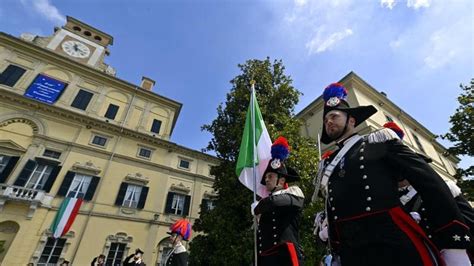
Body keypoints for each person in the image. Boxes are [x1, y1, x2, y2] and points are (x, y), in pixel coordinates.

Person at [313, 83, 472, 265]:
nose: (329, 122)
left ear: (351, 121)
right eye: (325, 121)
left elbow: (430, 183)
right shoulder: (328, 164)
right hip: (353, 252)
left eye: (334, 116)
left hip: (391, 244)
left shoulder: (377, 142)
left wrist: (453, 241)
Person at [252, 136, 305, 266]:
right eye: (266, 177)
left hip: (286, 257)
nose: (267, 180)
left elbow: (275, 202)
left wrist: (259, 206)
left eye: (270, 176)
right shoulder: (265, 203)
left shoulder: (293, 193)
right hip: (266, 259)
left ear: (281, 180)